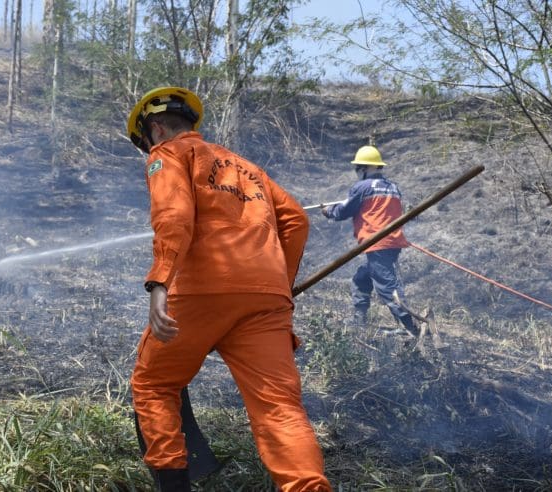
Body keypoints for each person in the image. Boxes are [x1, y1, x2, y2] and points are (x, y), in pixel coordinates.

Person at [126, 86, 332, 492]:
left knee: (154, 385)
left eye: (146, 142)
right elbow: (295, 220)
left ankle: (174, 486)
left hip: (201, 293)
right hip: (265, 301)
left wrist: (160, 283)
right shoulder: (247, 166)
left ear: (154, 127)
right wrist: (277, 285)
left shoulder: (167, 154)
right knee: (279, 407)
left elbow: (174, 216)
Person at [321, 145, 418, 335]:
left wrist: (328, 211)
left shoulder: (362, 187)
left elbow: (344, 211)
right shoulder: (392, 187)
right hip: (392, 242)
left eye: (358, 168)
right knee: (361, 278)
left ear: (364, 168)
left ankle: (411, 327)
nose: (357, 172)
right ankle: (359, 320)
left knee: (387, 288)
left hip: (378, 242)